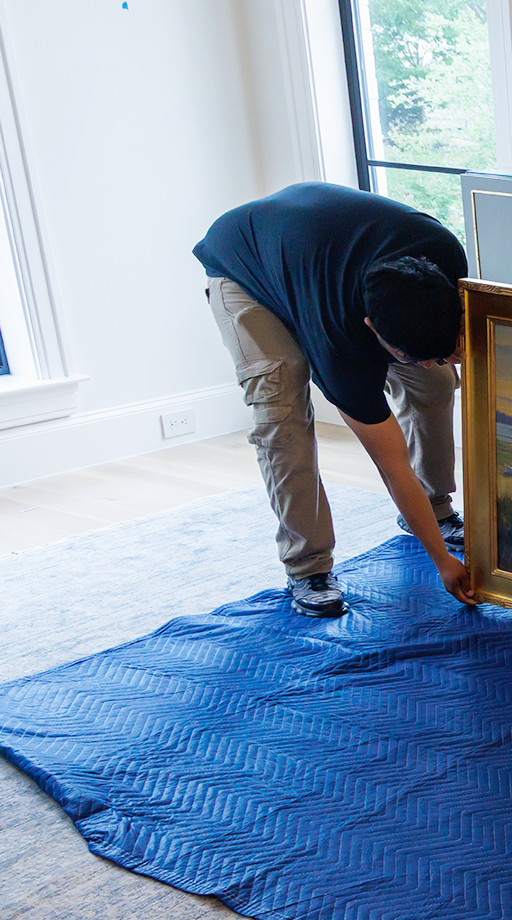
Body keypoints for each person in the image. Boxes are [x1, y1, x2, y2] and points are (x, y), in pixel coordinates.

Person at [194, 182, 479, 617]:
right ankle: (307, 566)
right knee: (282, 413)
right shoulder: (340, 345)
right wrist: (442, 562)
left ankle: (436, 508)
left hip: (315, 248)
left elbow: (443, 342)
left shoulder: (442, 255)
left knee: (436, 383)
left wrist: (452, 350)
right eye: (410, 357)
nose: (424, 363)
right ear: (371, 327)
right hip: (245, 267)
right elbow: (391, 466)